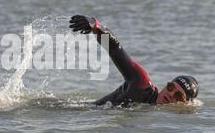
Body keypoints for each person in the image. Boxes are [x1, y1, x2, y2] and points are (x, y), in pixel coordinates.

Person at [69, 15, 199, 106]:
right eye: (171, 87)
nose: (170, 94)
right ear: (166, 85)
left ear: (185, 104)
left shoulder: (159, 117)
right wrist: (95, 24)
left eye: (178, 96)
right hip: (80, 113)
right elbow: (114, 47)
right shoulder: (142, 83)